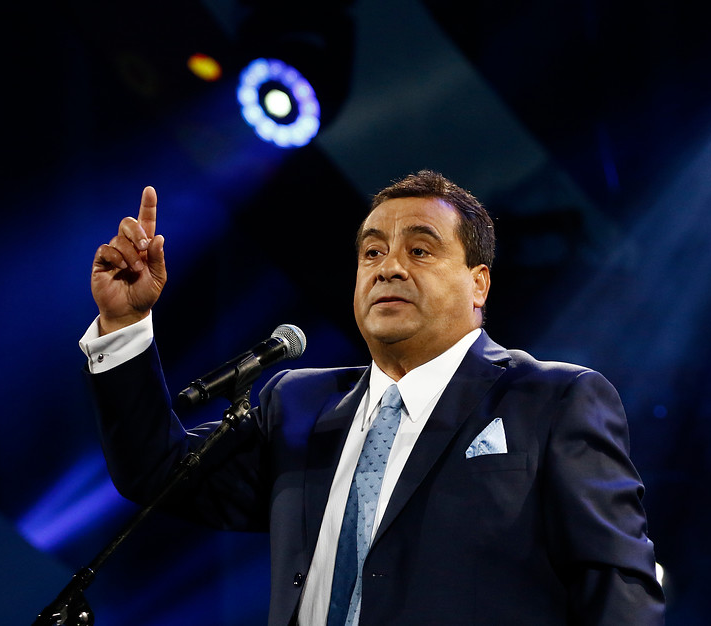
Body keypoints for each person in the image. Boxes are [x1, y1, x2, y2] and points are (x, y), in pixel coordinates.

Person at [80, 171, 665, 625]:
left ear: (478, 283)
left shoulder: (551, 398)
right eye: (372, 252)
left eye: (420, 251)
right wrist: (124, 325)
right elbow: (159, 470)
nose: (389, 269)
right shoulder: (299, 405)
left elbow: (618, 586)